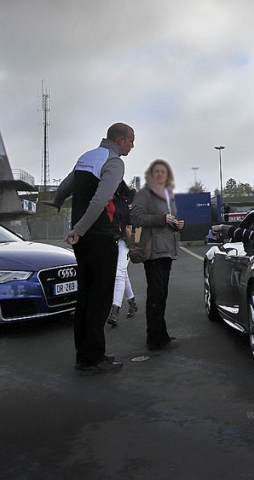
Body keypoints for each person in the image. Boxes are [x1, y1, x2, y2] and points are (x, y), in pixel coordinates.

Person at [58, 122, 134, 375]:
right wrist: (79, 230)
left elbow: (67, 184)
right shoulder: (114, 162)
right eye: (131, 140)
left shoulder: (87, 157)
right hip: (99, 235)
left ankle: (83, 354)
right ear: (120, 140)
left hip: (82, 239)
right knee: (100, 299)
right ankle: (95, 358)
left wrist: (58, 202)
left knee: (85, 295)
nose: (133, 145)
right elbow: (101, 200)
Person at [130, 159, 185, 352]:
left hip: (167, 250)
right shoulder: (144, 194)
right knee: (156, 294)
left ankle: (160, 334)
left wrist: (176, 224)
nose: (160, 175)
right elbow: (135, 218)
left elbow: (167, 220)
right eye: (157, 172)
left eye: (164, 172)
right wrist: (161, 219)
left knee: (162, 294)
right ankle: (155, 339)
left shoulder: (167, 195)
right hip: (153, 251)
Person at [107, 181, 138, 327]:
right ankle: (132, 303)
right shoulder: (108, 198)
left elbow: (137, 219)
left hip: (126, 240)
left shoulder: (130, 198)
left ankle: (115, 309)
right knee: (122, 273)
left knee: (118, 273)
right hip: (112, 240)